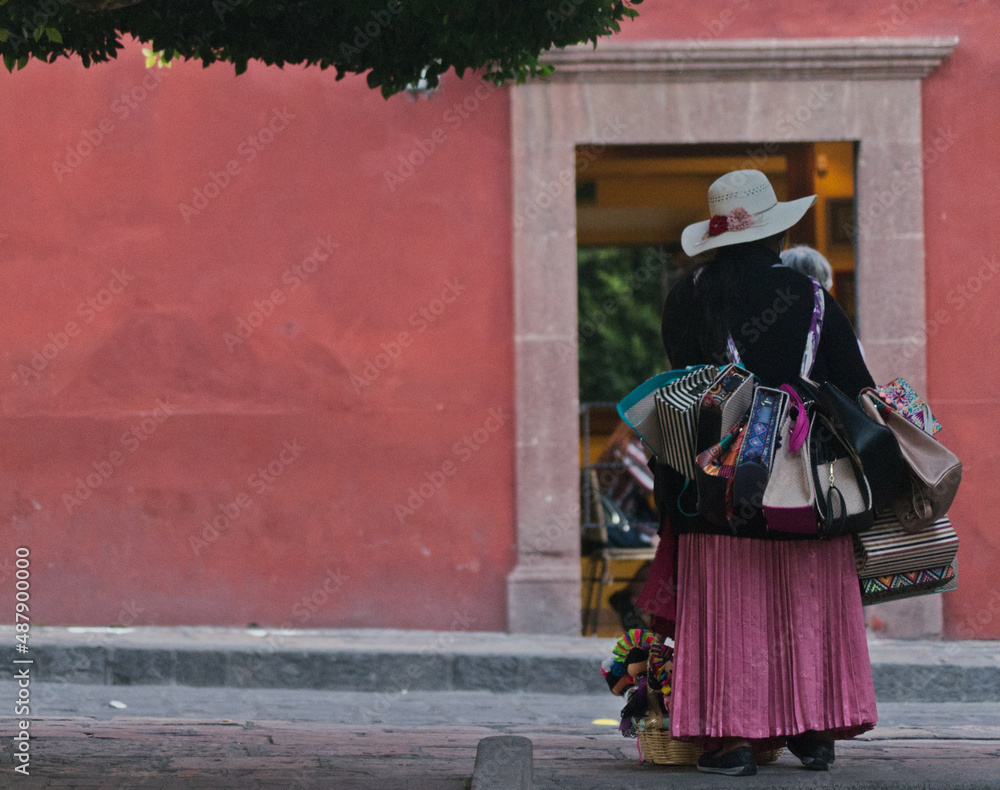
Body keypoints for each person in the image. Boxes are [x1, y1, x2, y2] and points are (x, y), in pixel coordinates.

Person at [638, 170, 878, 777]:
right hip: (807, 479)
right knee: (808, 598)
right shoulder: (814, 296)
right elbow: (857, 386)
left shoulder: (689, 295)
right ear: (777, 231)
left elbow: (685, 386)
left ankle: (733, 738)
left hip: (720, 479)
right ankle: (816, 730)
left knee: (731, 600)